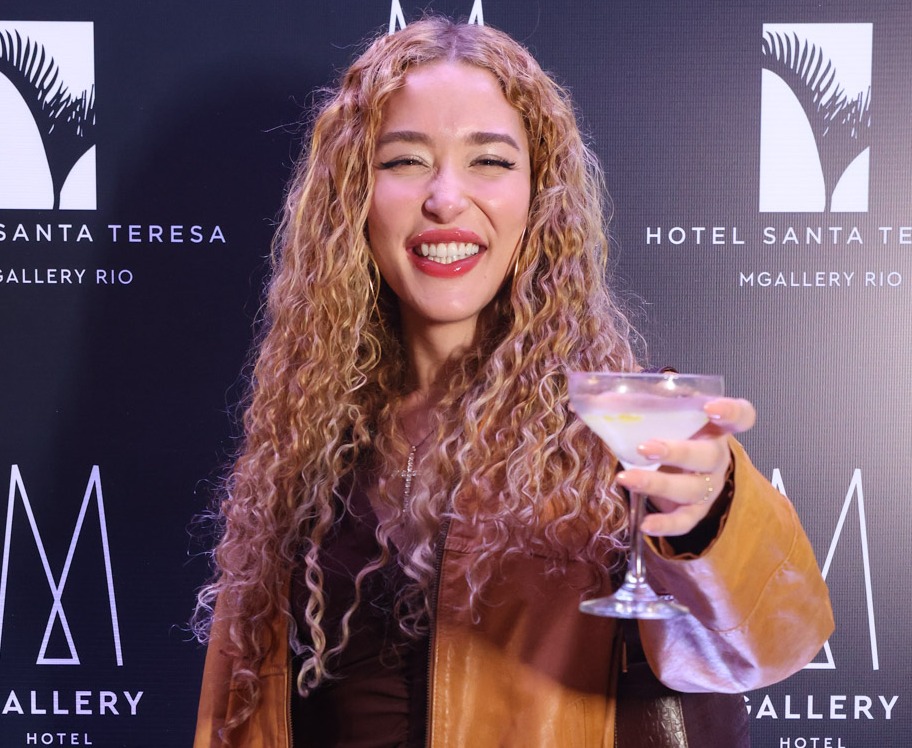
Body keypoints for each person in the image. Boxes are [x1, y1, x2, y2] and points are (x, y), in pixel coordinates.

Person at [193, 16, 833, 748]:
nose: (445, 197)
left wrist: (708, 515)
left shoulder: (627, 434)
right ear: (353, 198)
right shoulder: (305, 438)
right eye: (404, 160)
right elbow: (239, 712)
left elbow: (769, 644)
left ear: (539, 197)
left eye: (490, 161)